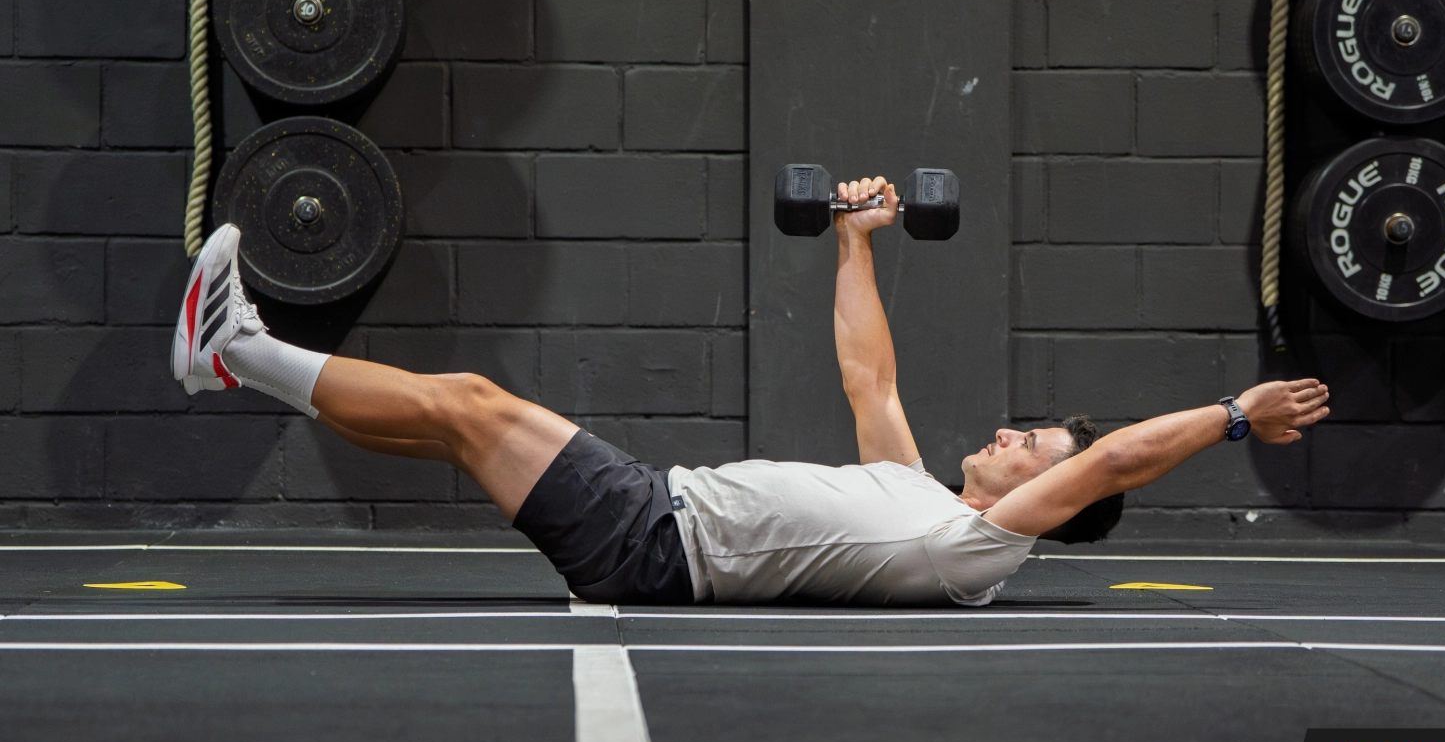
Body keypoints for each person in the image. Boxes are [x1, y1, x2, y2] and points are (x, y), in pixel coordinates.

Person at [171, 176, 1330, 607]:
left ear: (1051, 501)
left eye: (1034, 444)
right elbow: (869, 371)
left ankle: (239, 348)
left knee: (469, 403)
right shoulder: (919, 496)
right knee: (454, 421)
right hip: (655, 516)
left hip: (654, 538)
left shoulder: (978, 549)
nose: (1010, 432)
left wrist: (1236, 413)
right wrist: (853, 240)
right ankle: (238, 358)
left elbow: (1118, 457)